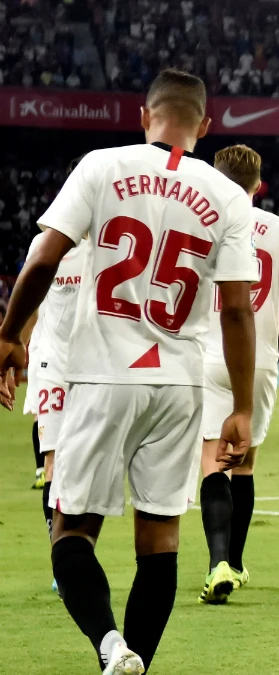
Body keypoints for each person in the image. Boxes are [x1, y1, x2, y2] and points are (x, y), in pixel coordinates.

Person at [0, 68, 260, 674]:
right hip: (180, 383)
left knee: (71, 531)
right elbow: (239, 309)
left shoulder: (101, 165)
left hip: (102, 375)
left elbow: (44, 255)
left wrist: (10, 333)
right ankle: (137, 659)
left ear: (144, 116)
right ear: (206, 124)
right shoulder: (226, 194)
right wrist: (241, 407)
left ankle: (110, 644)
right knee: (160, 541)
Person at [197, 144, 279, 604]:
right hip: (259, 362)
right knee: (246, 462)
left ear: (215, 176)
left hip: (207, 355)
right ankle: (235, 559)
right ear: (258, 183)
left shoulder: (197, 220)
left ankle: (217, 564)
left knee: (213, 460)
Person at [23, 217, 91, 594]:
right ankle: (59, 561)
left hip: (92, 367)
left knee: (83, 463)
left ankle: (75, 550)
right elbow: (30, 301)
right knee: (54, 460)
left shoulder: (103, 247)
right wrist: (22, 345)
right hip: (51, 364)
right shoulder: (44, 245)